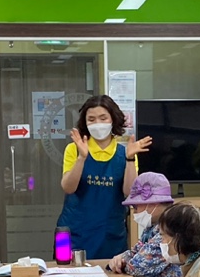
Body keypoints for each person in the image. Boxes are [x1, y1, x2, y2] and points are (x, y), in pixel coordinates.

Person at [57, 95, 151, 260]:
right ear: (85, 123)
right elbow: (68, 188)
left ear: (113, 119)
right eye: (91, 119)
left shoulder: (126, 153)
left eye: (103, 118)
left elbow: (129, 192)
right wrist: (82, 158)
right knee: (64, 274)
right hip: (72, 232)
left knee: (113, 273)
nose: (97, 123)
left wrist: (130, 159)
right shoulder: (73, 149)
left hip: (111, 234)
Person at [107, 172, 181, 277]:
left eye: (136, 206)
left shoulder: (170, 229)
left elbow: (137, 268)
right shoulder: (151, 228)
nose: (135, 211)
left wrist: (122, 263)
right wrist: (120, 258)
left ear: (153, 204)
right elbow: (135, 252)